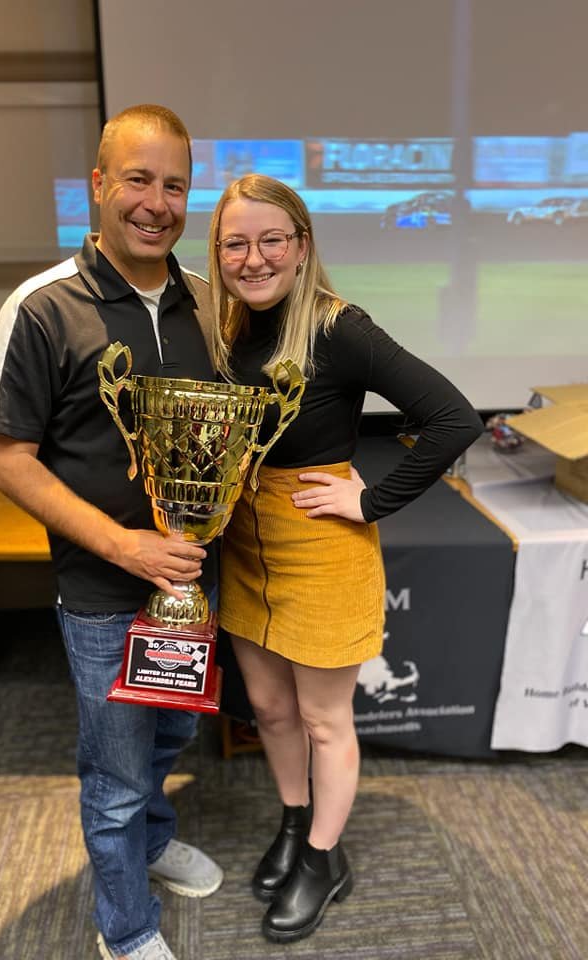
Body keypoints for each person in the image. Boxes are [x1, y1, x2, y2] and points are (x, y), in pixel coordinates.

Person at [207, 174, 483, 944]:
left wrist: (369, 502)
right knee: (267, 710)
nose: (253, 257)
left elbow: (452, 417)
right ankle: (296, 826)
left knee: (325, 720)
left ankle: (325, 859)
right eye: (236, 242)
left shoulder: (338, 326)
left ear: (301, 246)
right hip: (243, 541)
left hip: (320, 547)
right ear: (219, 252)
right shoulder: (226, 331)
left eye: (271, 240)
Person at [0, 104, 223, 960]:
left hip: (192, 587)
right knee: (115, 774)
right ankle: (124, 930)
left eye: (176, 184)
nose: (157, 202)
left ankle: (153, 847)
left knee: (171, 737)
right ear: (98, 184)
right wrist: (123, 546)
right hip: (102, 592)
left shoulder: (207, 303)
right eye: (138, 179)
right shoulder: (42, 308)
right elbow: (8, 459)